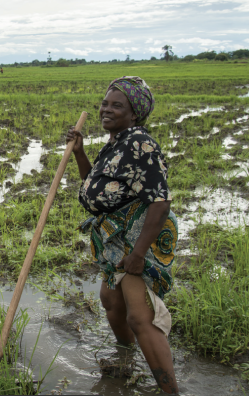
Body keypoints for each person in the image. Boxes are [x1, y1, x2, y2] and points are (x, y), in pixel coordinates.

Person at [66, 76, 179, 394]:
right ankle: (125, 357)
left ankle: (171, 391)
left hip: (133, 239)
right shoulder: (116, 143)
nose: (106, 109)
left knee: (140, 317)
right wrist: (79, 152)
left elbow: (160, 202)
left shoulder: (140, 144)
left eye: (117, 105)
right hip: (112, 240)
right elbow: (95, 185)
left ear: (135, 113)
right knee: (111, 301)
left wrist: (139, 253)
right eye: (105, 103)